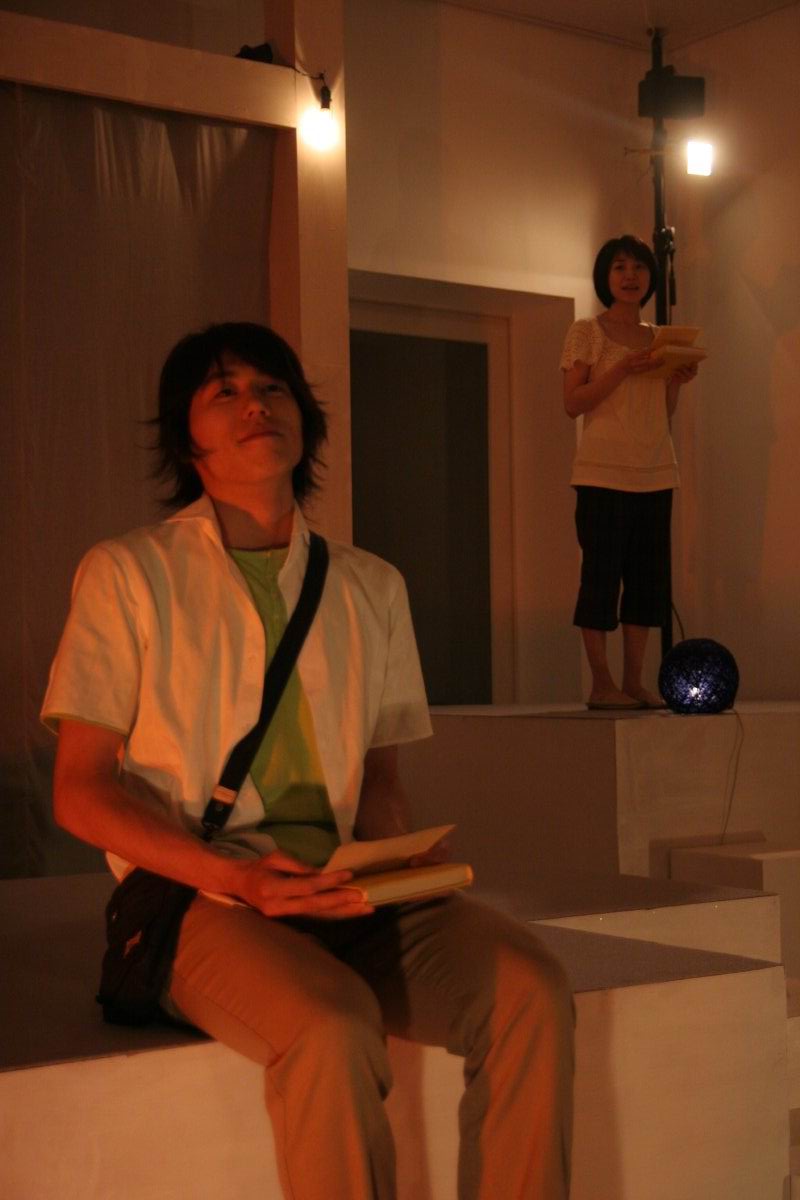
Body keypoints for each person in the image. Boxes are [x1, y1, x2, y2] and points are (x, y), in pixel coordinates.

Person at [43, 322, 574, 1199]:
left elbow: (381, 782)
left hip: (343, 888)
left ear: (306, 419)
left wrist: (399, 866)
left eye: (273, 387)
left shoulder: (372, 585)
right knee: (331, 1026)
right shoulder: (129, 573)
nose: (256, 404)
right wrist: (239, 879)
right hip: (199, 896)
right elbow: (81, 791)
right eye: (225, 391)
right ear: (186, 437)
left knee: (531, 989)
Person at [561, 235, 698, 710]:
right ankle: (601, 684)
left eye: (638, 267)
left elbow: (663, 411)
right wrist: (622, 368)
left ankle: (634, 681)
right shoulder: (587, 331)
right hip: (602, 473)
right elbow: (572, 402)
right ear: (606, 276)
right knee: (601, 577)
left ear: (650, 277)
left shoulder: (659, 337)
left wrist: (675, 380)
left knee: (647, 580)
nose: (630, 276)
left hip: (656, 471)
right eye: (620, 267)